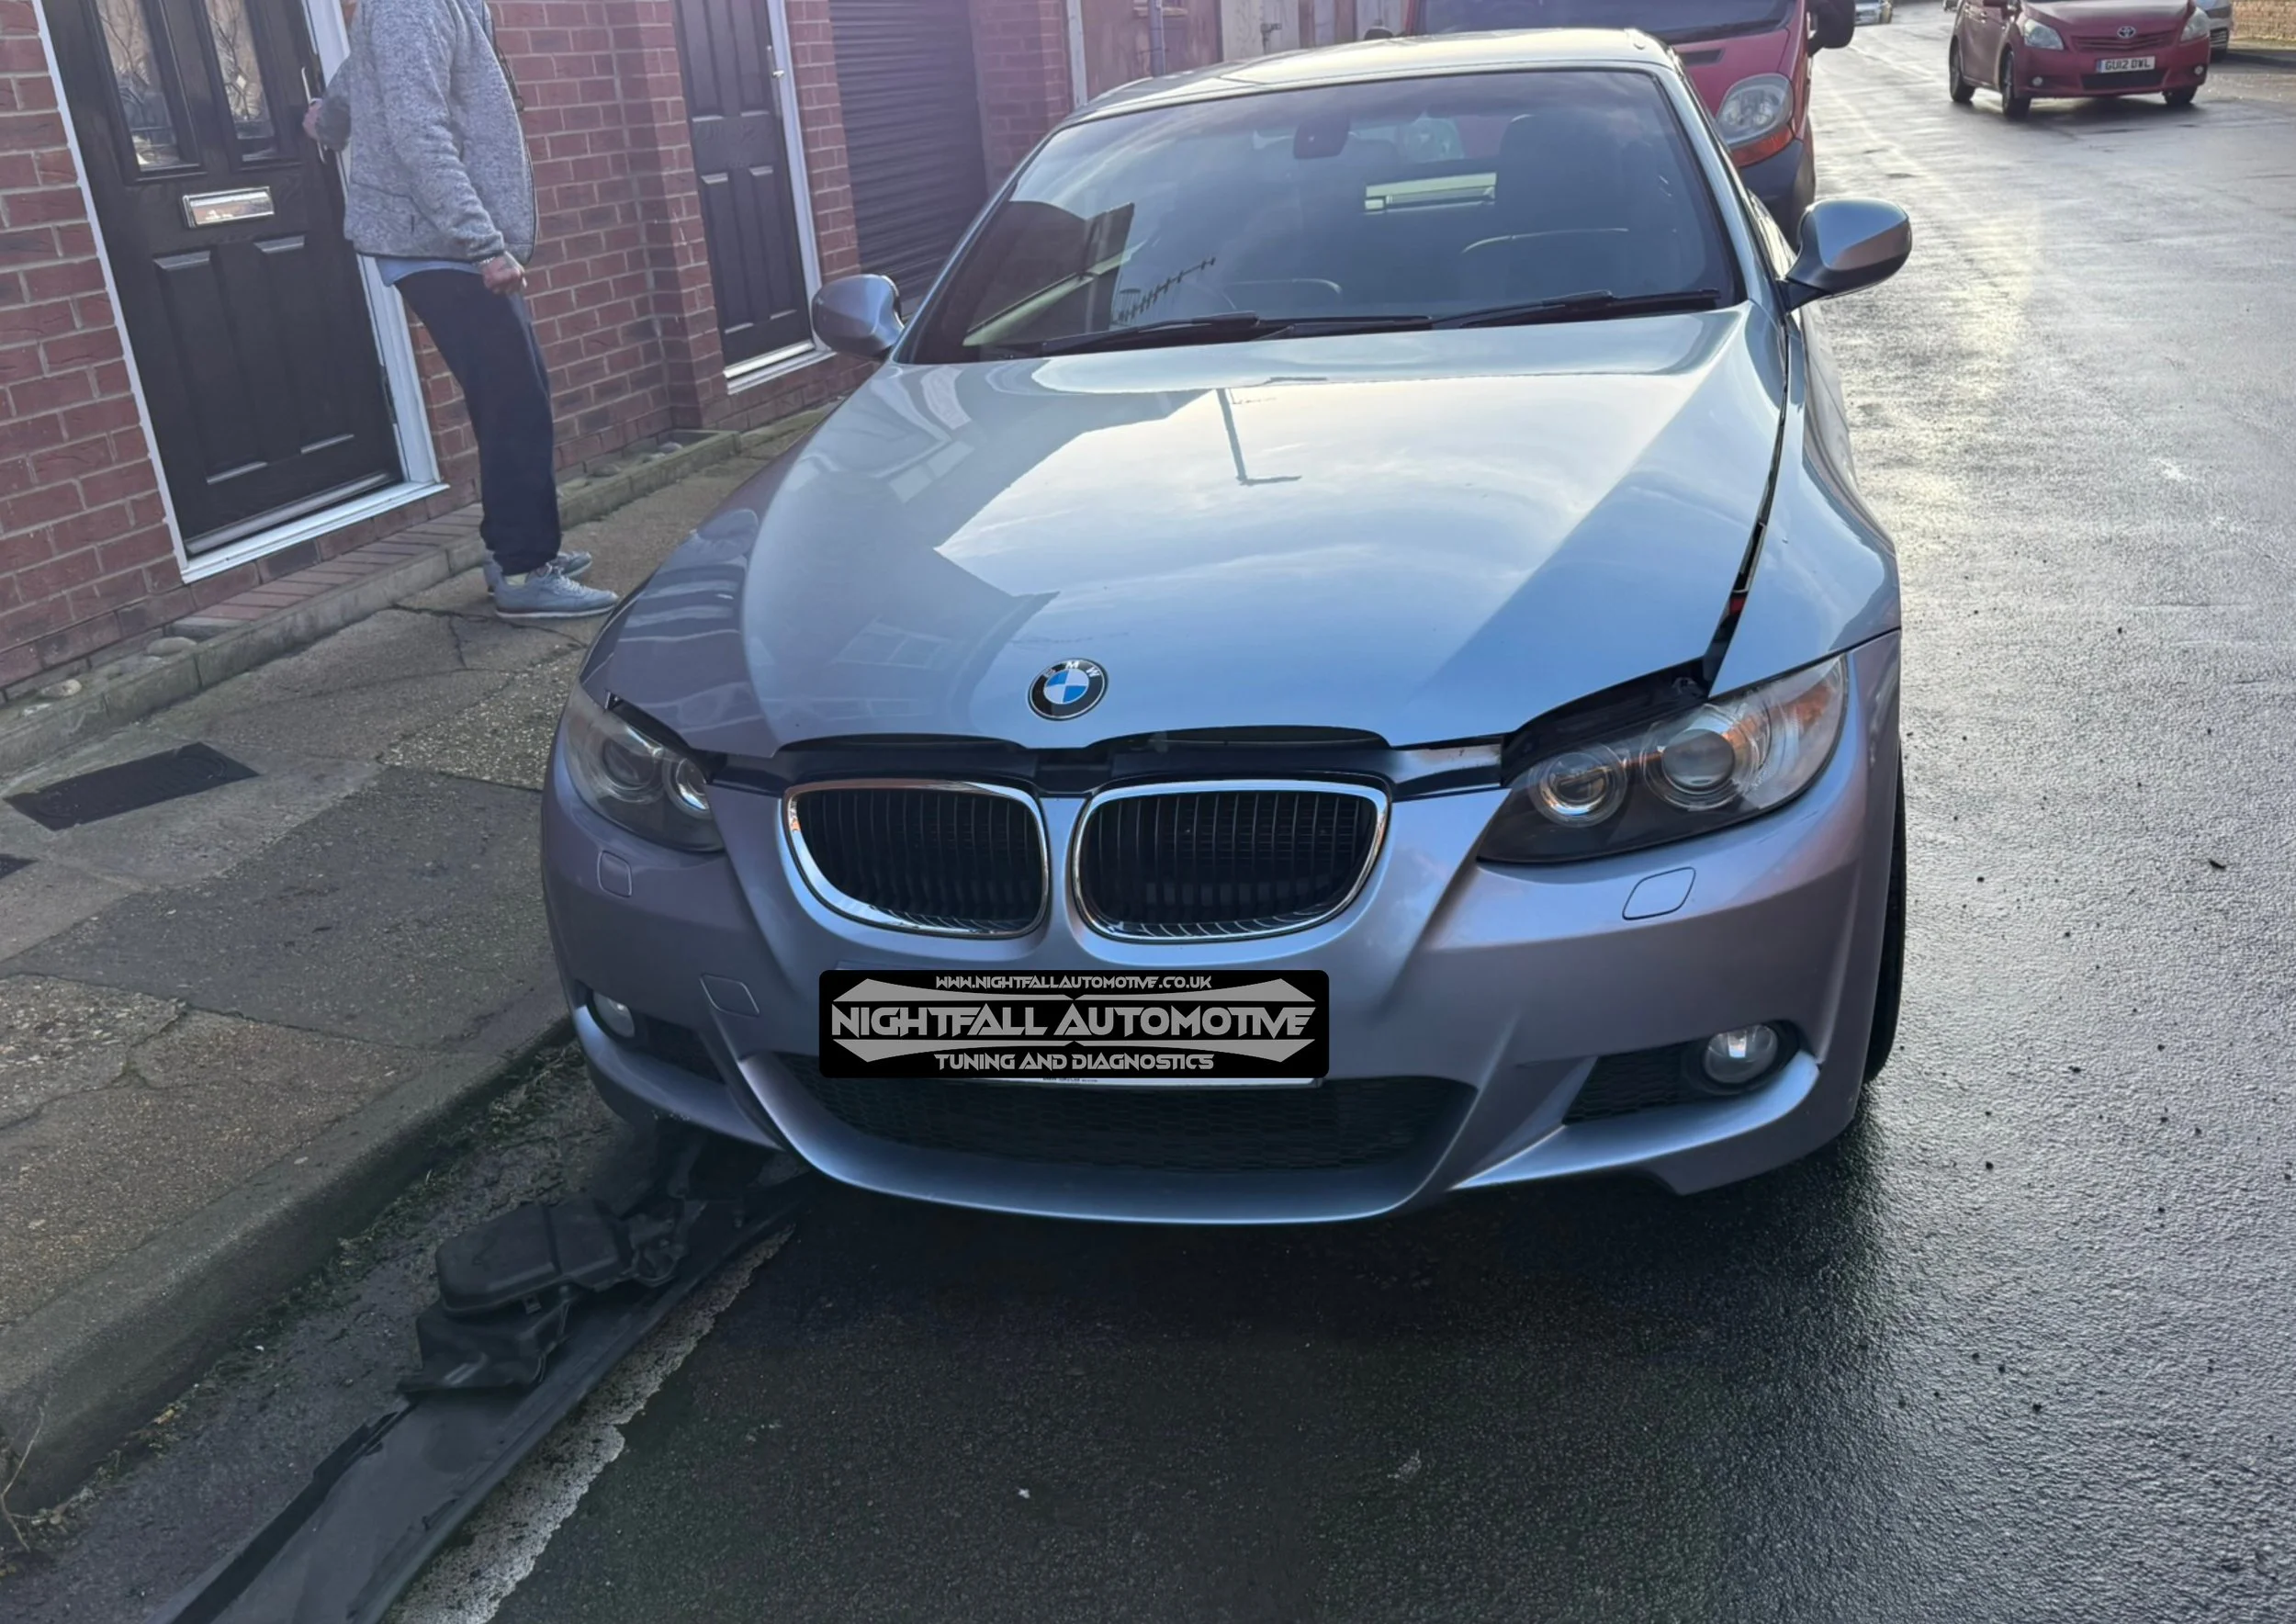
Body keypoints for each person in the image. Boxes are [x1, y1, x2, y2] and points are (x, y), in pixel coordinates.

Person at [306, 0, 616, 621]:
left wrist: (329, 119)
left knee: (519, 397)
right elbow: (417, 129)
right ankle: (525, 575)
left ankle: (519, 553)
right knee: (513, 404)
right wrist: (484, 244)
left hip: (450, 244)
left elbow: (360, 81)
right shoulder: (410, 8)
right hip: (442, 245)